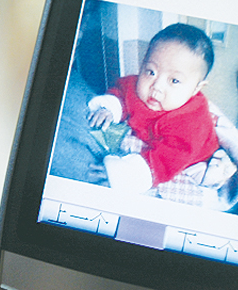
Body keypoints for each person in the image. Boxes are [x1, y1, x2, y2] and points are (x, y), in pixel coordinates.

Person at [88, 23, 221, 193]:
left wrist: (123, 175)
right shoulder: (135, 86)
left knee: (205, 176)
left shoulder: (192, 123)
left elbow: (164, 162)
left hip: (191, 157)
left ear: (196, 88)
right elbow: (121, 92)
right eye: (151, 72)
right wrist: (110, 108)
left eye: (174, 81)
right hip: (151, 138)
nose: (156, 87)